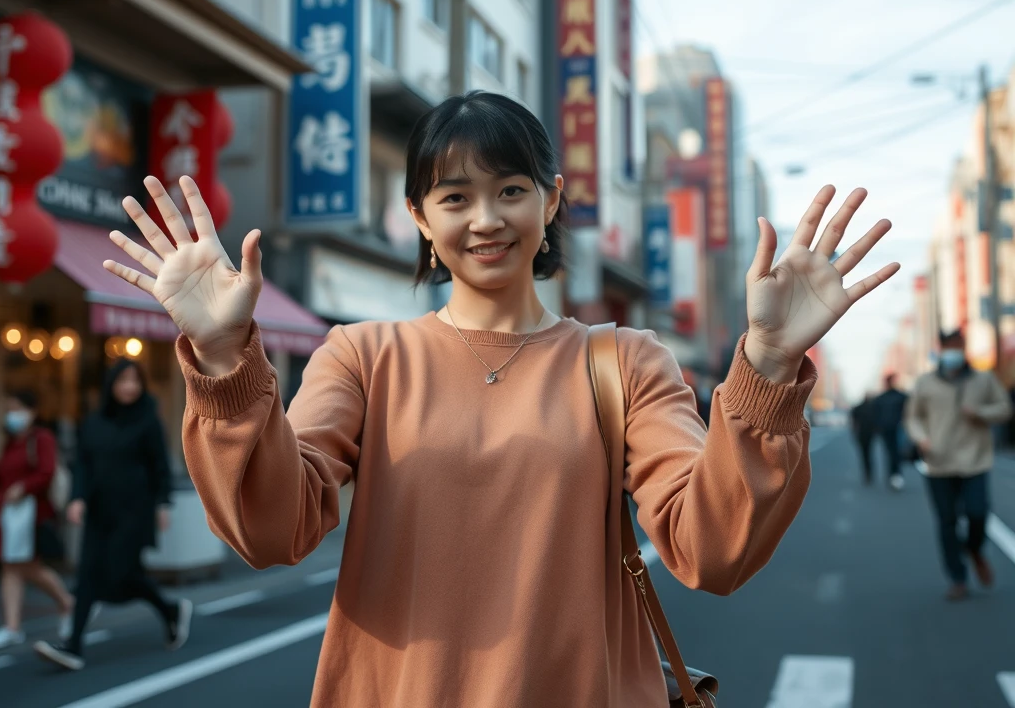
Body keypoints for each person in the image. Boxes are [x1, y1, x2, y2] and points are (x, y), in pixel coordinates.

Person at [101, 92, 899, 706]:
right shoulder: (363, 355)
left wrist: (764, 363)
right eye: (453, 198)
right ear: (418, 216)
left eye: (510, 190)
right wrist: (220, 356)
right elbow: (273, 529)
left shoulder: (623, 360)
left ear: (550, 200)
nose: (485, 219)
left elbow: (713, 550)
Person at [33, 360, 192, 670]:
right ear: (111, 385)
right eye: (123, 380)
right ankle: (74, 647)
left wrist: (163, 504)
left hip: (135, 511)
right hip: (99, 511)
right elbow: (83, 464)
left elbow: (160, 466)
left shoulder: (148, 421)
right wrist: (78, 498)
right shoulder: (93, 423)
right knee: (89, 574)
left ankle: (170, 609)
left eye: (135, 380)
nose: (129, 386)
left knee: (123, 575)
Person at [904, 329, 1013, 601]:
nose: (953, 352)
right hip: (938, 463)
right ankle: (958, 578)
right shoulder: (926, 382)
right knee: (947, 522)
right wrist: (921, 438)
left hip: (975, 460)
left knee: (978, 513)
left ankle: (974, 549)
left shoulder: (983, 380)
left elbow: (1005, 408)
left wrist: (980, 413)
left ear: (964, 348)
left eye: (958, 346)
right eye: (949, 346)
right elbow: (912, 418)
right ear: (941, 348)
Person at [0, 391, 73, 650]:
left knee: (29, 566)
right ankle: (13, 626)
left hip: (33, 514)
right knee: (10, 567)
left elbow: (46, 472)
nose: (11, 414)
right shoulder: (9, 442)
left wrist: (24, 487)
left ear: (31, 411)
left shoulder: (41, 438)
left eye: (16, 408)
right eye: (8, 409)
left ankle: (66, 603)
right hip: (8, 515)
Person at [875, 372, 908, 490]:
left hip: (899, 428)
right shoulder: (880, 399)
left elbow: (909, 412)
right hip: (886, 430)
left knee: (896, 452)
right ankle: (893, 475)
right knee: (890, 452)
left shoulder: (902, 396)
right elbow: (875, 415)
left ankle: (896, 475)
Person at [850, 393, 878, 485]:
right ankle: (869, 473)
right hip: (868, 434)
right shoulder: (872, 408)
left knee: (864, 454)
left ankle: (867, 473)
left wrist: (854, 432)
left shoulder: (859, 408)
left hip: (863, 434)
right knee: (868, 453)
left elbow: (854, 423)